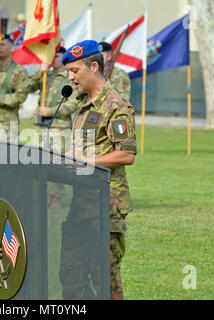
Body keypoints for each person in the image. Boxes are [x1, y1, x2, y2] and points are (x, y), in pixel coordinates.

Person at [61, 40, 137, 300]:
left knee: (105, 274)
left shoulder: (115, 105)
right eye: (69, 72)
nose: (71, 77)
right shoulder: (84, 104)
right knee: (71, 272)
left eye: (75, 71)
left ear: (94, 67)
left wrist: (83, 159)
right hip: (80, 203)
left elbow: (126, 154)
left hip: (105, 205)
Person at [25, 46, 77, 208]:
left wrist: (50, 111)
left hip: (58, 128)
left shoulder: (71, 77)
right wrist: (41, 72)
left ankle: (56, 199)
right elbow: (26, 87)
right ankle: (42, 196)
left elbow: (73, 104)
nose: (52, 59)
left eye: (56, 56)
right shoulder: (46, 75)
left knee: (55, 164)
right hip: (40, 127)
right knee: (38, 163)